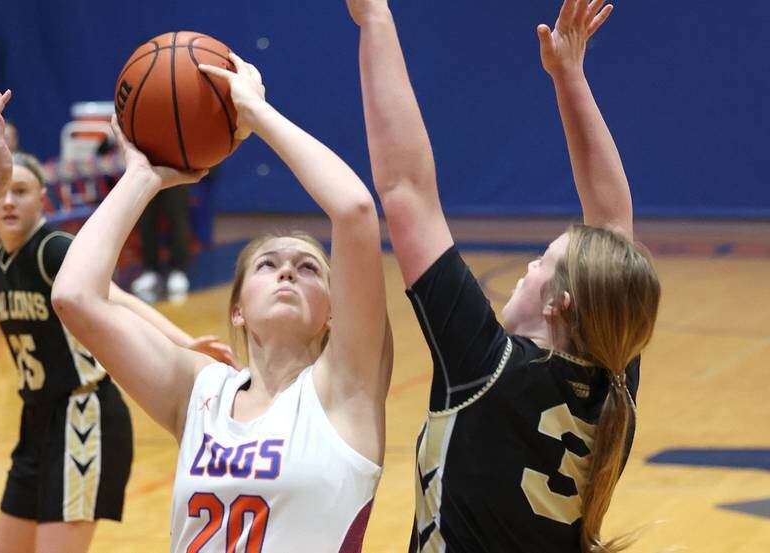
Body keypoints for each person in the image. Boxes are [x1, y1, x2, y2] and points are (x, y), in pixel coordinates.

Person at [348, 0, 661, 552]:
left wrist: (375, 18)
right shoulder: (612, 387)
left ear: (557, 303)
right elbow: (612, 226)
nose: (527, 269)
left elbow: (406, 188)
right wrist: (569, 77)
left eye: (541, 260)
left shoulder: (487, 370)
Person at [52, 54, 393, 552]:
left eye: (308, 268)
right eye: (267, 264)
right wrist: (141, 179)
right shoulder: (199, 392)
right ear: (237, 308)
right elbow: (74, 297)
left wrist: (253, 111)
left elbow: (355, 210)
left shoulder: (347, 390)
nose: (286, 271)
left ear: (334, 312)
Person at [0, 90, 234, 553]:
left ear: (43, 202)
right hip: (35, 421)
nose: (9, 201)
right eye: (3, 191)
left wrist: (184, 343)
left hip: (84, 416)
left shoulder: (53, 250)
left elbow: (120, 298)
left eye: (21, 191)